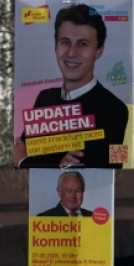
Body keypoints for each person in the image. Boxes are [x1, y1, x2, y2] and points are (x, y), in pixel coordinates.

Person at [16, 4, 129, 168]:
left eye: (82, 44)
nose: (71, 53)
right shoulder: (45, 98)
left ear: (99, 51)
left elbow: (115, 166)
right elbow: (18, 149)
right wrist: (57, 163)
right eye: (65, 42)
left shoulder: (116, 109)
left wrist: (25, 161)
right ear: (55, 46)